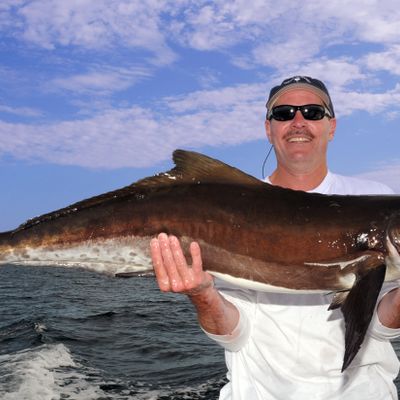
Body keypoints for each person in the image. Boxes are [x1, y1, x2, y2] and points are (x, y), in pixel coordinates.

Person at [150, 76, 400, 399]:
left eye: (312, 112)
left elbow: (380, 328)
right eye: (284, 114)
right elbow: (235, 335)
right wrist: (202, 295)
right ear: (269, 129)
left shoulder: (375, 195)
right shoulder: (231, 211)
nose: (298, 121)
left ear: (332, 126)